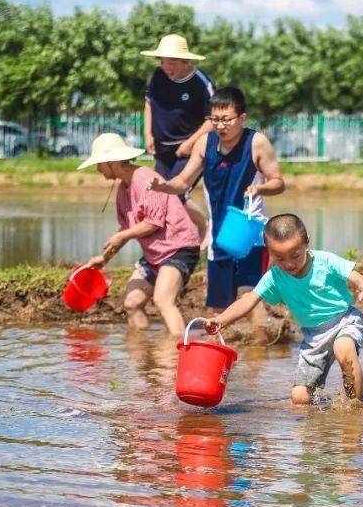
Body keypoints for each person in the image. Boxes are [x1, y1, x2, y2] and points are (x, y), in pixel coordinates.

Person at [204, 214, 363, 404]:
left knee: (343, 348)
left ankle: (355, 407)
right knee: (300, 398)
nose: (289, 264)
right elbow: (248, 300)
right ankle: (322, 420)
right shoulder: (274, 277)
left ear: (306, 243)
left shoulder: (325, 261)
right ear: (269, 252)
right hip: (313, 337)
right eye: (279, 258)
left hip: (344, 320)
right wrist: (221, 320)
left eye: (295, 255)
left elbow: (360, 279)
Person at [149, 86, 284, 328]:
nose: (220, 126)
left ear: (242, 118)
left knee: (248, 296)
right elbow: (183, 181)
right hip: (218, 238)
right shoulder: (204, 144)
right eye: (215, 120)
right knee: (219, 308)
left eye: (226, 120)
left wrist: (260, 188)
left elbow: (278, 182)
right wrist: (164, 186)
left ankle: (261, 355)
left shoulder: (256, 143)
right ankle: (229, 354)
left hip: (249, 235)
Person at [76, 133, 200, 336]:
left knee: (163, 300)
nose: (98, 169)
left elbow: (153, 222)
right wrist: (104, 258)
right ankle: (144, 354)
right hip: (155, 255)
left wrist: (122, 237)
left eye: (100, 164)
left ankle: (178, 354)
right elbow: (126, 228)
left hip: (179, 248)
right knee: (132, 303)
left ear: (112, 162)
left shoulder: (144, 179)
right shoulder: (123, 189)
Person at [140, 34, 214, 236]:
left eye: (171, 62)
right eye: (162, 62)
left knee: (176, 195)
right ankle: (172, 239)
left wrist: (190, 143)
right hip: (162, 150)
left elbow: (213, 119)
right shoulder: (158, 76)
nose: (166, 67)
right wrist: (148, 134)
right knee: (158, 195)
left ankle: (203, 227)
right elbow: (148, 104)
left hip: (189, 151)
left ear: (185, 61)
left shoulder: (201, 83)